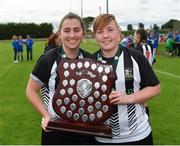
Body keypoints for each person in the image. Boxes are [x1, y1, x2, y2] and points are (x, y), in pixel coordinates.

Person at [26, 12, 95, 145]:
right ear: (60, 33)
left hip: (85, 130)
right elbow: (31, 90)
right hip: (55, 131)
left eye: (76, 30)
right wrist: (46, 116)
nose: (72, 35)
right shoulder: (47, 59)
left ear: (83, 33)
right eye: (67, 30)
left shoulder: (91, 60)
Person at [92, 13, 160, 145]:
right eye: (100, 31)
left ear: (119, 33)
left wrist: (128, 98)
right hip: (101, 137)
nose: (105, 35)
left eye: (110, 30)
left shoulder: (136, 57)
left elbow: (155, 88)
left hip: (137, 135)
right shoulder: (89, 62)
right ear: (96, 36)